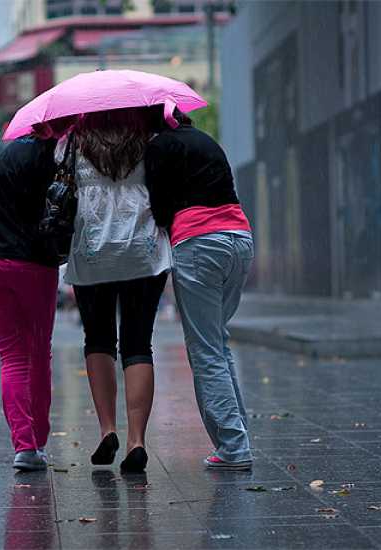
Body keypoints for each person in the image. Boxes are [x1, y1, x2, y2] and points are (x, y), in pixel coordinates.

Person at [144, 111, 255, 470]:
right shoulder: (207, 141)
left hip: (199, 243)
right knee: (218, 343)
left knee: (205, 349)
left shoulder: (159, 146)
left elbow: (159, 207)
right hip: (240, 239)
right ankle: (237, 435)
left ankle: (234, 447)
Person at [65, 106, 171, 473]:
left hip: (92, 252)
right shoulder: (149, 141)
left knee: (97, 340)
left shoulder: (72, 142)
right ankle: (136, 440)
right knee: (139, 342)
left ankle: (108, 429)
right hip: (142, 250)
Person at [0, 119, 70, 471]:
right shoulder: (54, 163)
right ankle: (37, 442)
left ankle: (23, 445)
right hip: (31, 265)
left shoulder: (6, 156)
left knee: (12, 357)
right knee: (38, 353)